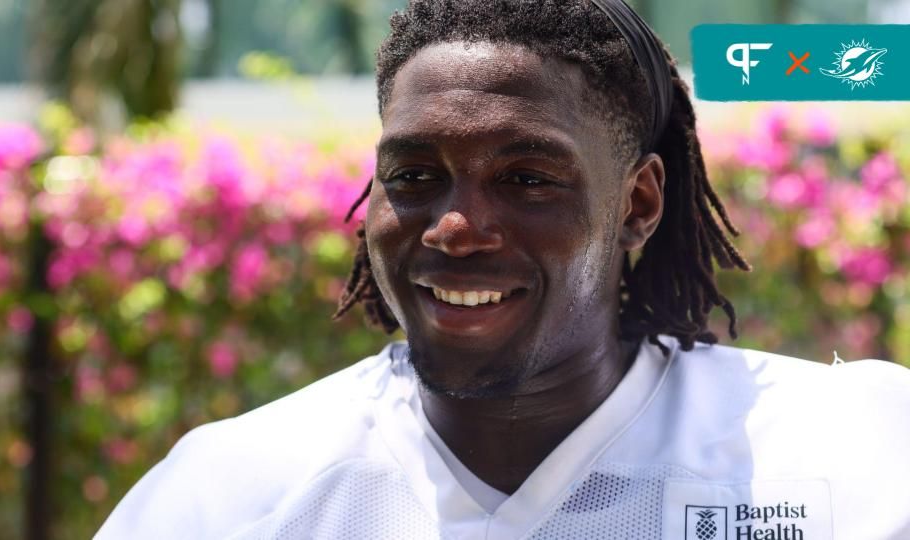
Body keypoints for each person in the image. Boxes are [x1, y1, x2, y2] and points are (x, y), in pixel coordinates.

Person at [96, 1, 910, 538]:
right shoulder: (230, 497)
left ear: (638, 205)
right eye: (414, 176)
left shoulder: (851, 457)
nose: (456, 228)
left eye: (527, 179)